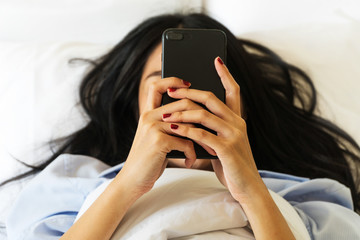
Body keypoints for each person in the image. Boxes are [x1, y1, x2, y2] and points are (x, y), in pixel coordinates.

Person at [3, 13, 360, 239]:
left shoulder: (310, 200)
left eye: (211, 86)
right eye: (165, 82)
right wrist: (128, 182)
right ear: (135, 105)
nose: (190, 100)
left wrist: (250, 190)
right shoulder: (73, 189)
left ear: (241, 103)